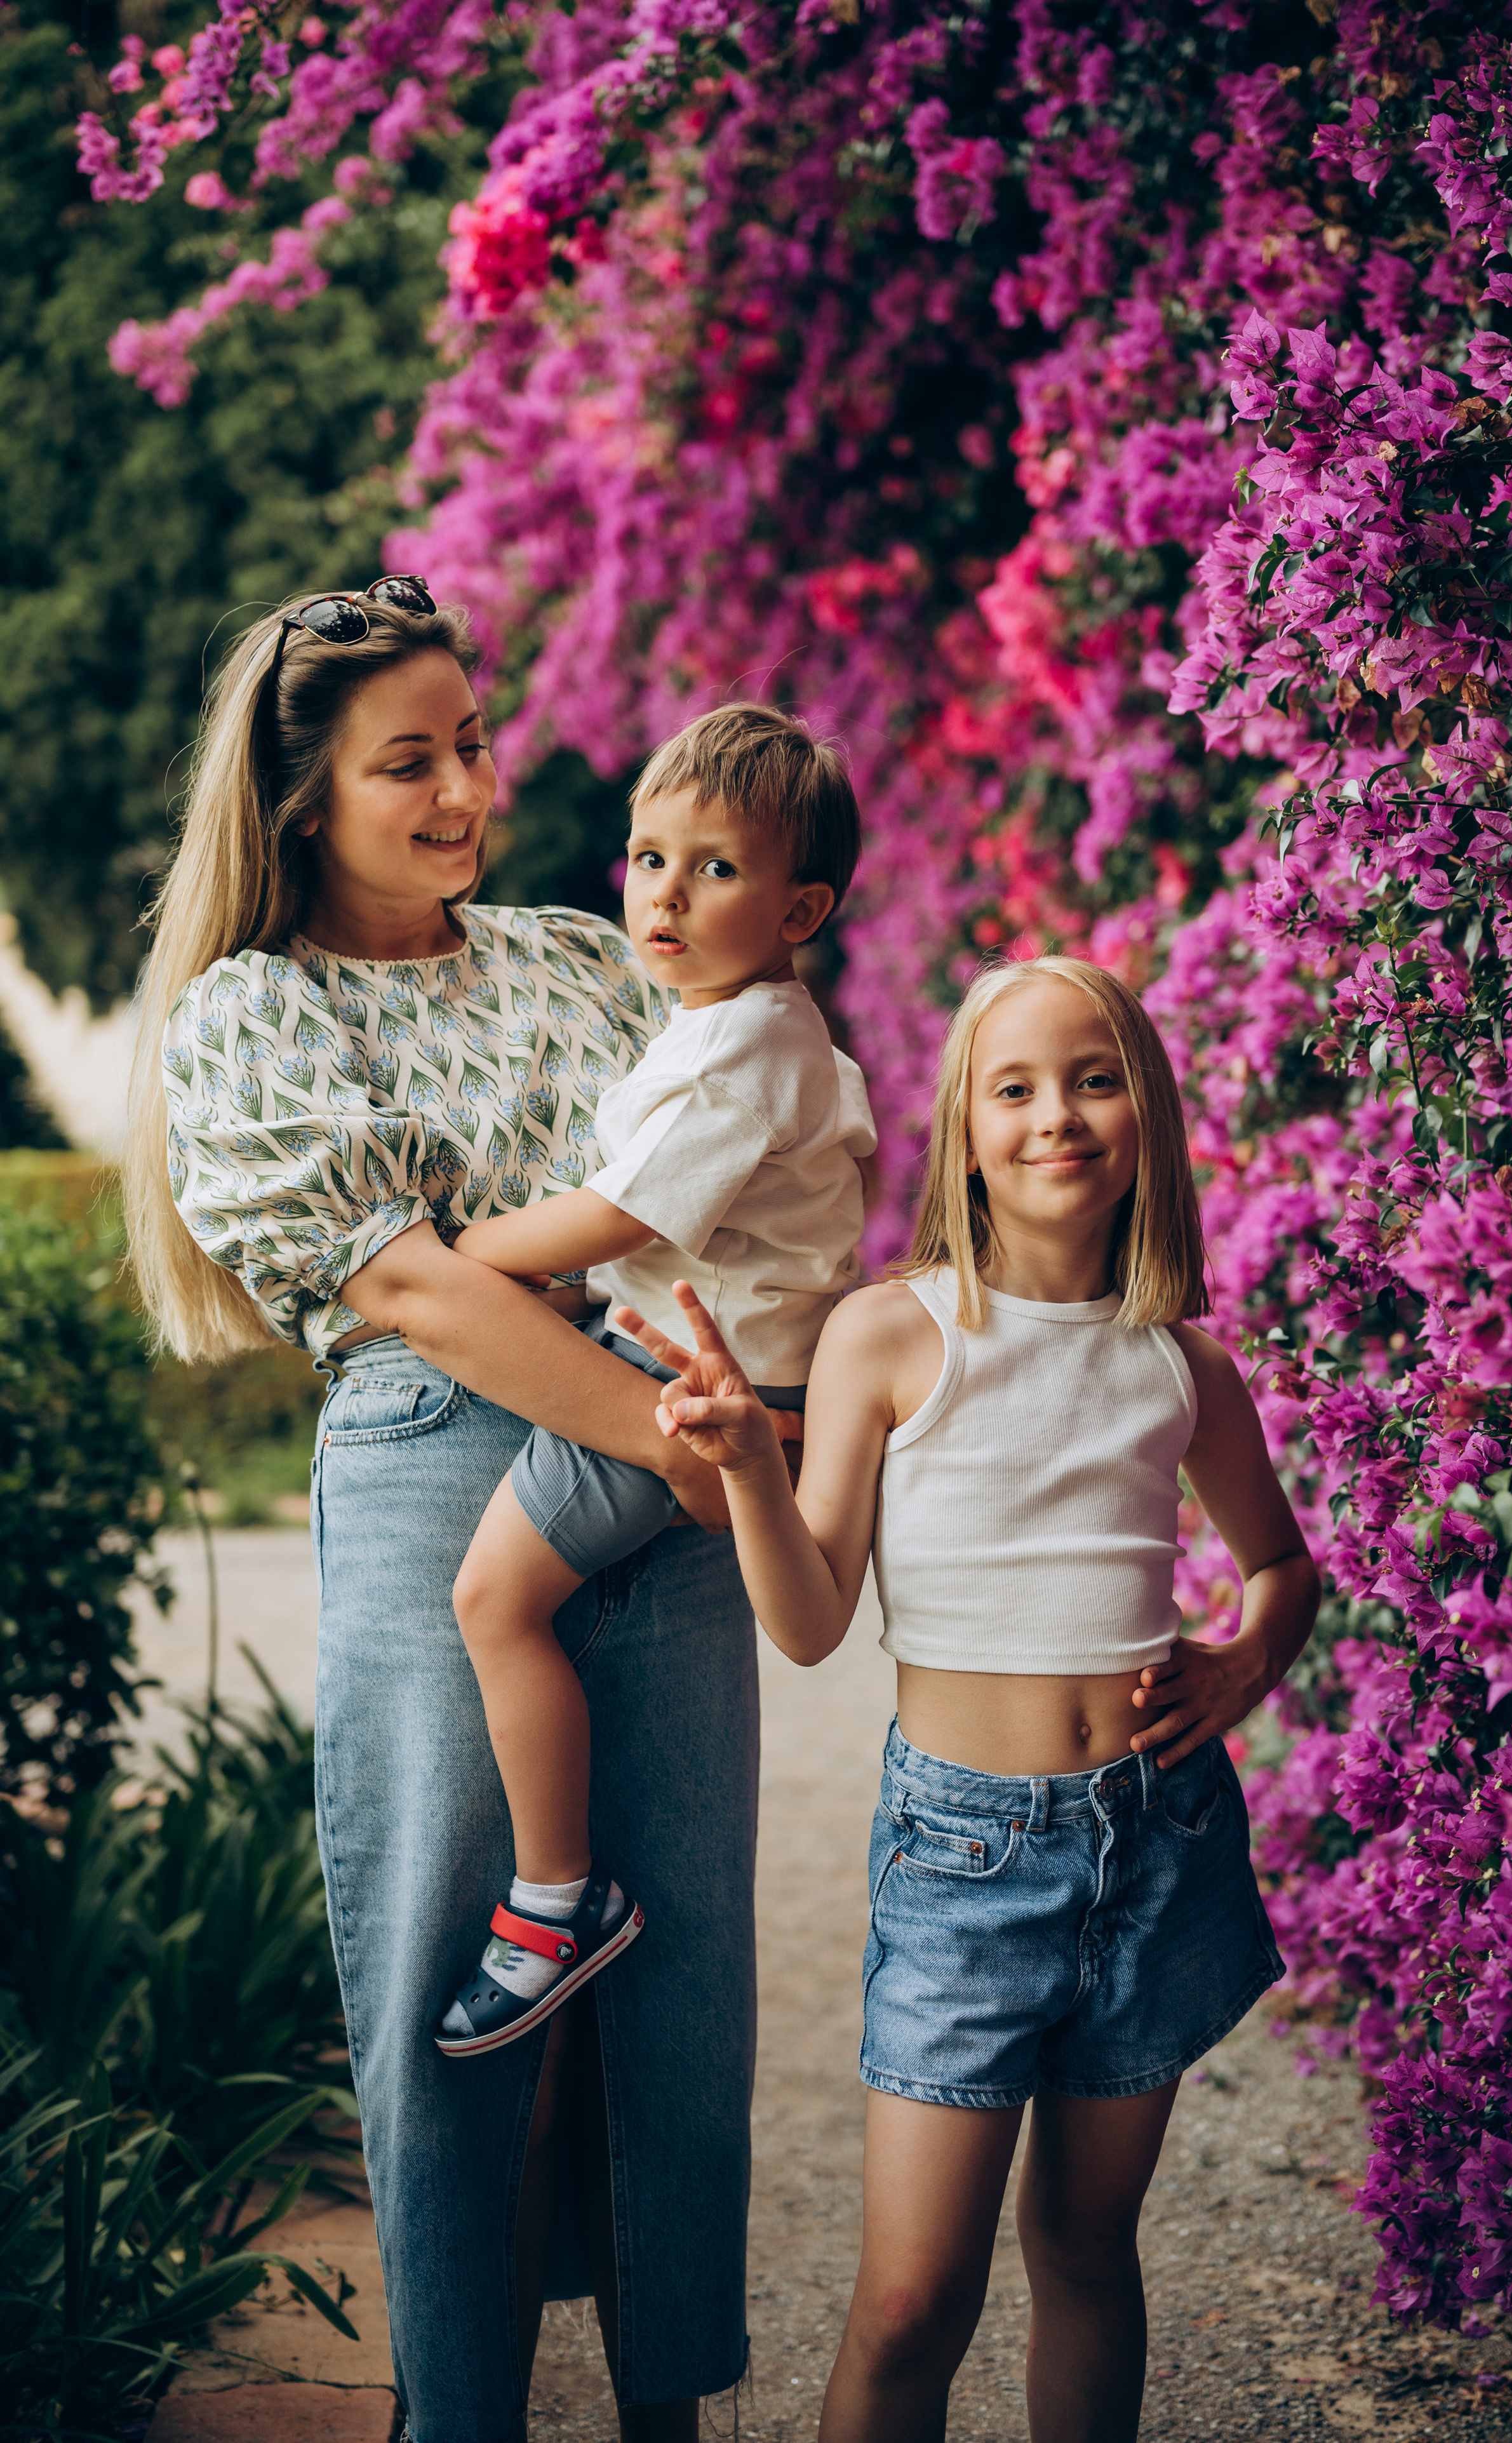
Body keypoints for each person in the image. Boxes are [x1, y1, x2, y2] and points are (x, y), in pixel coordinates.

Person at [124, 579, 761, 2443]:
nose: (463, 785)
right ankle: (461, 2412)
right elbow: (411, 1291)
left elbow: (725, 1154)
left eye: (471, 743)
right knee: (454, 1978)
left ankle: (670, 2409)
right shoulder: (250, 1012)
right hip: (451, 1458)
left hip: (655, 1445)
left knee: (684, 1970)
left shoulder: (577, 954)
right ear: (301, 793)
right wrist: (676, 1445)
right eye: (408, 760)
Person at [616, 954, 1320, 2443]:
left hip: (1154, 1845)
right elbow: (808, 1622)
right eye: (1013, 1087)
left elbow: (1280, 1571)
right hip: (963, 1861)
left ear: (1146, 1117)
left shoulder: (1180, 1365)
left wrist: (1239, 1658)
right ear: (964, 1133)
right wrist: (747, 1457)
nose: (1053, 1115)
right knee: (907, 2300)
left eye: (1092, 1077)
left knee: (1082, 2249)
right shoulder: (892, 1335)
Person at [439, 704, 874, 2056]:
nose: (665, 892)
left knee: (492, 1601)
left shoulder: (744, 1047)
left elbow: (620, 1213)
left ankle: (552, 1899)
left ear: (800, 903)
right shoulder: (727, 1024)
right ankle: (556, 1883)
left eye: (714, 867)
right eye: (645, 859)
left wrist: (468, 1255)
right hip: (705, 1357)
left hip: (686, 1380)